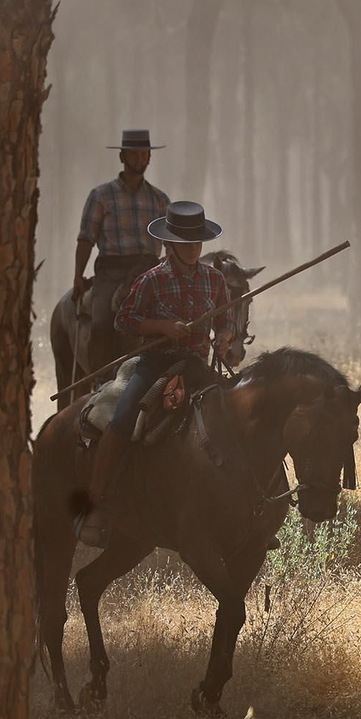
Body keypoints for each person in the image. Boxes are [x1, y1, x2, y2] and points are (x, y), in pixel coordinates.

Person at [76, 201, 235, 543]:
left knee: (231, 413)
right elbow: (124, 320)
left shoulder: (215, 280)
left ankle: (240, 505)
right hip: (156, 365)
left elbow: (225, 319)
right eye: (186, 243)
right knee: (121, 420)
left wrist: (224, 336)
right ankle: (95, 501)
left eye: (197, 242)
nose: (193, 249)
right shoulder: (152, 280)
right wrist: (161, 326)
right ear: (169, 245)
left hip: (196, 366)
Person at [74, 128, 173, 372]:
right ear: (122, 157)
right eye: (134, 154)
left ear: (149, 157)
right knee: (101, 324)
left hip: (150, 270)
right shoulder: (101, 196)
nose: (140, 159)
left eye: (144, 154)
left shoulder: (160, 199)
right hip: (112, 270)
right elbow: (86, 238)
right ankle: (99, 376)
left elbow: (170, 242)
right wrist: (78, 275)